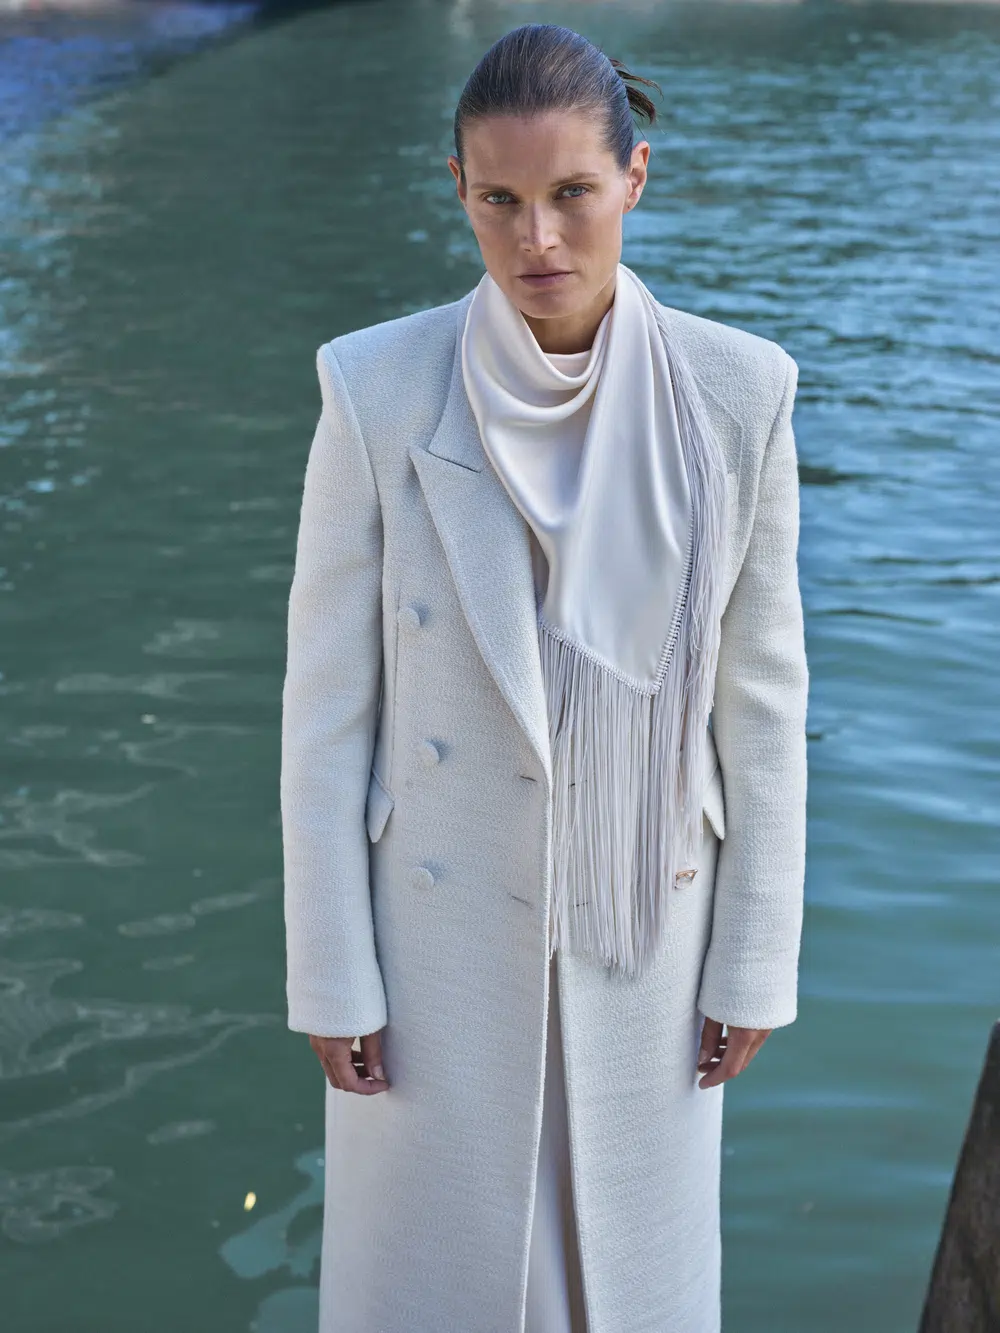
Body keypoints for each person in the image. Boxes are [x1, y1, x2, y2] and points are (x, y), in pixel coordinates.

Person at [280, 22, 809, 1333]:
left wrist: (755, 961)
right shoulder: (374, 388)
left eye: (572, 192)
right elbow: (328, 712)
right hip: (436, 954)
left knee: (621, 1288)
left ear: (635, 175)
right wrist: (331, 974)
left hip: (648, 938)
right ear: (457, 189)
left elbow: (763, 703)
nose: (538, 240)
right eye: (500, 200)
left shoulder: (740, 392)